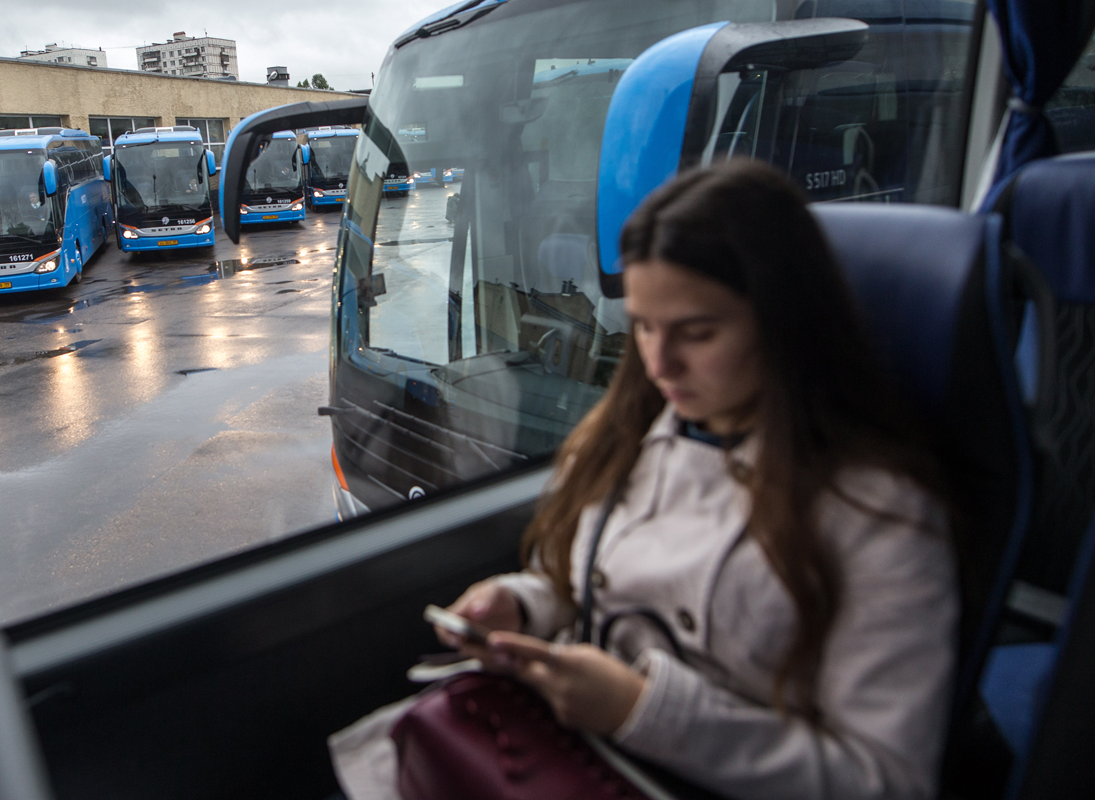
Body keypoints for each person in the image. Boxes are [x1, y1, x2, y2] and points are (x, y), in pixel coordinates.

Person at [330, 160, 958, 800]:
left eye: (698, 332)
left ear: (787, 320)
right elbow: (586, 583)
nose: (659, 364)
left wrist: (643, 711)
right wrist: (526, 603)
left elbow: (886, 780)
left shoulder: (878, 514)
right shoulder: (625, 439)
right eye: (645, 328)